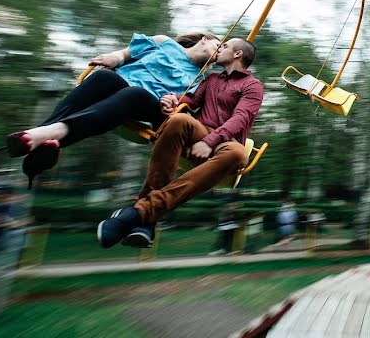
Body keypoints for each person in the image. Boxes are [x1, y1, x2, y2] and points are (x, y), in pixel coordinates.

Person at [96, 38, 263, 249]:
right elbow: (190, 101)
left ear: (238, 54)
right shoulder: (211, 80)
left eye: (225, 47)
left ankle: (136, 214)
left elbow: (240, 118)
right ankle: (145, 219)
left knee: (239, 154)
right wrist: (172, 99)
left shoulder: (252, 85)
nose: (219, 50)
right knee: (178, 119)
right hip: (199, 133)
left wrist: (210, 142)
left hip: (225, 142)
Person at [2, 32, 221, 188]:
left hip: (149, 103)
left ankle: (41, 133)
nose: (218, 53)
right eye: (218, 46)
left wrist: (173, 103)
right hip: (120, 82)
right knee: (104, 75)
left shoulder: (201, 79)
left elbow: (186, 104)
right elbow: (126, 54)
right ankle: (40, 145)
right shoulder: (164, 43)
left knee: (133, 93)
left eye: (221, 54)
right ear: (205, 39)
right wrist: (113, 58)